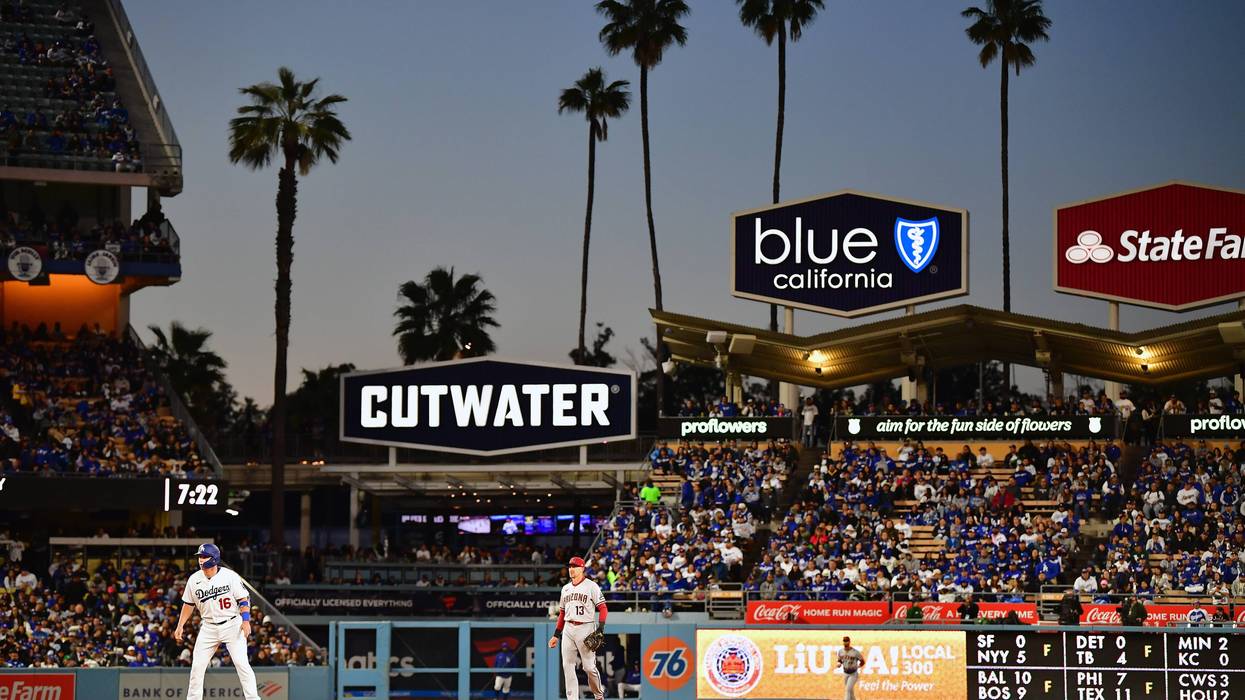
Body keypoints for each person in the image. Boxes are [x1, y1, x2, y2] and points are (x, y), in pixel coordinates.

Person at [174, 543, 259, 700]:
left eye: (204, 556)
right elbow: (188, 604)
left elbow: (243, 600)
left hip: (232, 624)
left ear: (214, 559)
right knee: (197, 667)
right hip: (208, 627)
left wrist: (246, 620)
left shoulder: (230, 576)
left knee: (242, 664)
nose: (200, 560)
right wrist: (180, 626)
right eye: (199, 557)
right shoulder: (194, 579)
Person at [548, 556, 607, 700]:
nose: (571, 569)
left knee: (588, 667)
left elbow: (603, 608)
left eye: (574, 566)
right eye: (570, 566)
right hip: (568, 628)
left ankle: (598, 695)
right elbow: (562, 613)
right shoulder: (565, 589)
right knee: (567, 666)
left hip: (585, 628)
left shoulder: (591, 586)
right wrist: (556, 634)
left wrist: (600, 629)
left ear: (582, 569)